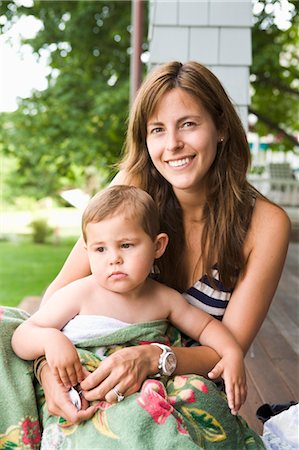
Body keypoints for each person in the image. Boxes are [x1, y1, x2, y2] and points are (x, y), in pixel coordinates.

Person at [0, 60, 290, 449]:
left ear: (221, 127)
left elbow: (223, 352)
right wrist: (46, 368)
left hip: (182, 383)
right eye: (157, 129)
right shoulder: (134, 190)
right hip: (90, 356)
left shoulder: (265, 224)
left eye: (188, 124)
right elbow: (57, 299)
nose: (172, 145)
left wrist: (152, 359)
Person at [12, 185, 247, 417]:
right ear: (87, 251)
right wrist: (51, 339)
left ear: (157, 246)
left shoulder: (164, 298)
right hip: (87, 393)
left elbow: (206, 327)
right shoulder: (80, 294)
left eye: (126, 245)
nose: (114, 259)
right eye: (100, 249)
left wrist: (231, 352)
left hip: (143, 398)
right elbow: (23, 335)